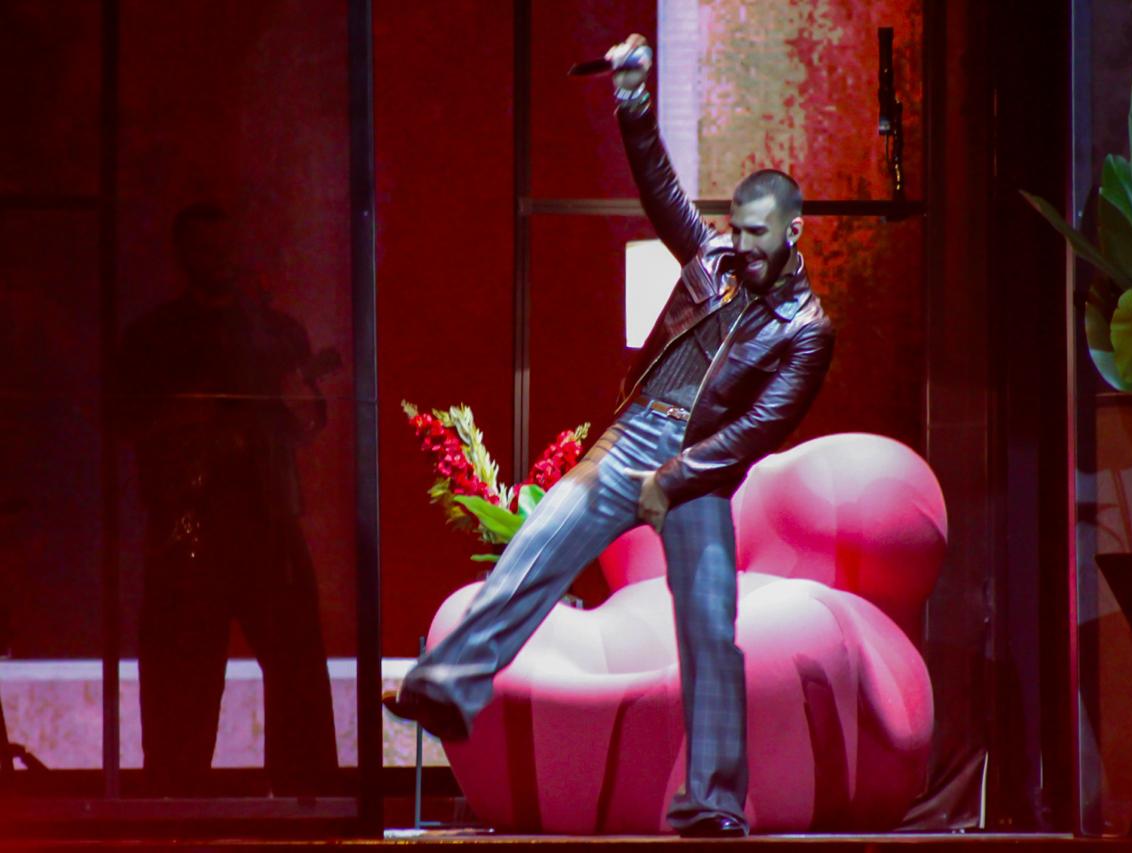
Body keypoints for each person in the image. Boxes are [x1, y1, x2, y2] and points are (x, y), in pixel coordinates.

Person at [385, 34, 834, 837]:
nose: (746, 247)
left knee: (710, 627)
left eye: (761, 235)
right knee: (540, 543)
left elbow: (762, 426)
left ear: (794, 230)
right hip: (633, 436)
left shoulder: (806, 328)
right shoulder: (713, 257)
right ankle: (449, 685)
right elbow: (661, 189)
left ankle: (713, 801)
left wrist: (675, 479)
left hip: (698, 467)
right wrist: (632, 99)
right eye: (739, 230)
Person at [119, 202, 339, 795]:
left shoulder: (278, 332)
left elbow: (306, 422)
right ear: (183, 254)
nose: (219, 259)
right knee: (180, 678)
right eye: (205, 247)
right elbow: (128, 422)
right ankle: (175, 803)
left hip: (268, 520)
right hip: (189, 527)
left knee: (295, 668)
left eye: (226, 246)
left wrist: (294, 402)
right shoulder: (155, 337)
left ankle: (302, 804)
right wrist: (195, 421)